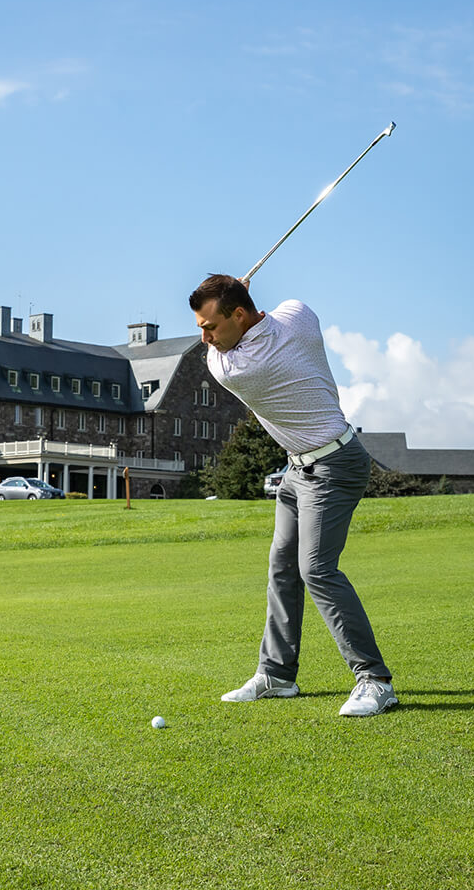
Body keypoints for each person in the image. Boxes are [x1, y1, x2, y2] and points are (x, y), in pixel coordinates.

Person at [190, 273, 397, 717]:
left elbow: (223, 350)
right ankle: (277, 674)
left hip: (335, 464)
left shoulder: (239, 368)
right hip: (299, 468)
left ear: (238, 315)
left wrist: (236, 295)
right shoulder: (299, 317)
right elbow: (283, 311)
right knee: (282, 566)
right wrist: (235, 296)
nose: (203, 337)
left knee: (316, 569)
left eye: (209, 326)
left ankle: (375, 680)